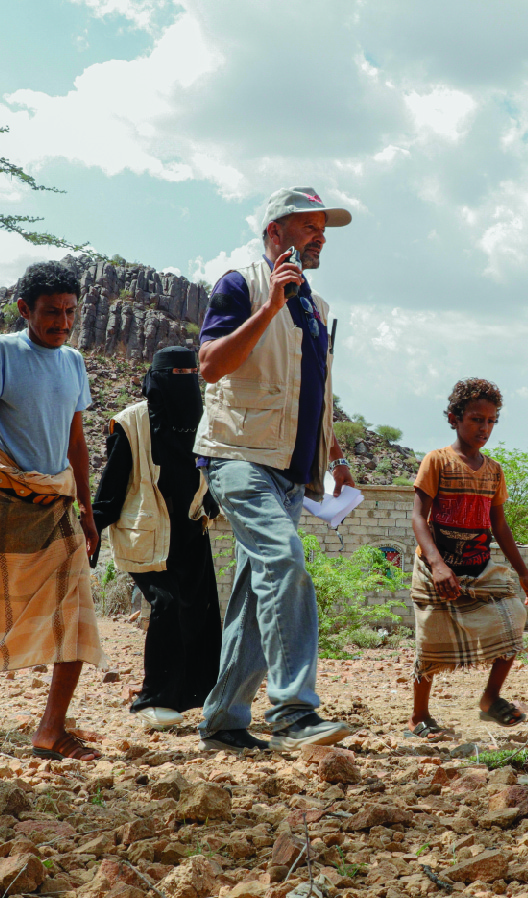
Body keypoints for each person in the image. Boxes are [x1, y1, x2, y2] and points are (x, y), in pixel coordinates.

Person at [194, 186, 356, 753]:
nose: (320, 238)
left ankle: (223, 720)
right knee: (284, 559)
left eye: (323, 230)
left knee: (252, 592)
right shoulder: (241, 285)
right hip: (238, 456)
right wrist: (268, 309)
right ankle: (293, 712)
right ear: (274, 233)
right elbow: (210, 366)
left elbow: (311, 391)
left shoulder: (316, 306)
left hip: (290, 470)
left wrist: (334, 454)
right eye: (310, 227)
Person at [0, 261, 106, 762]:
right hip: (2, 500)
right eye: (51, 312)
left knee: (77, 616)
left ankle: (50, 730)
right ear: (25, 309)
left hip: (57, 503)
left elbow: (76, 442)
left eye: (70, 312)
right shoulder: (1, 351)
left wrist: (88, 511)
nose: (62, 322)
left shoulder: (74, 362)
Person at [92, 346, 221, 730]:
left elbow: (208, 473)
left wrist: (212, 502)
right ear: (157, 379)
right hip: (147, 535)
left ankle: (196, 697)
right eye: (176, 374)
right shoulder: (130, 424)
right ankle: (154, 700)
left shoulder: (203, 421)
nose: (185, 381)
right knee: (166, 604)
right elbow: (112, 485)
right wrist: (92, 528)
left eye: (191, 373)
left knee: (200, 613)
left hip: (191, 530)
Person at [408, 378, 528, 737]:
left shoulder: (494, 471)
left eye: (491, 421)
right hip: (437, 567)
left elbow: (500, 525)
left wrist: (524, 573)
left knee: (513, 618)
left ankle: (490, 698)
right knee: (430, 642)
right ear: (454, 418)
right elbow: (419, 517)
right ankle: (419, 715)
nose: (484, 428)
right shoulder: (437, 461)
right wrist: (437, 565)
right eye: (476, 419)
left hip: (479, 568)